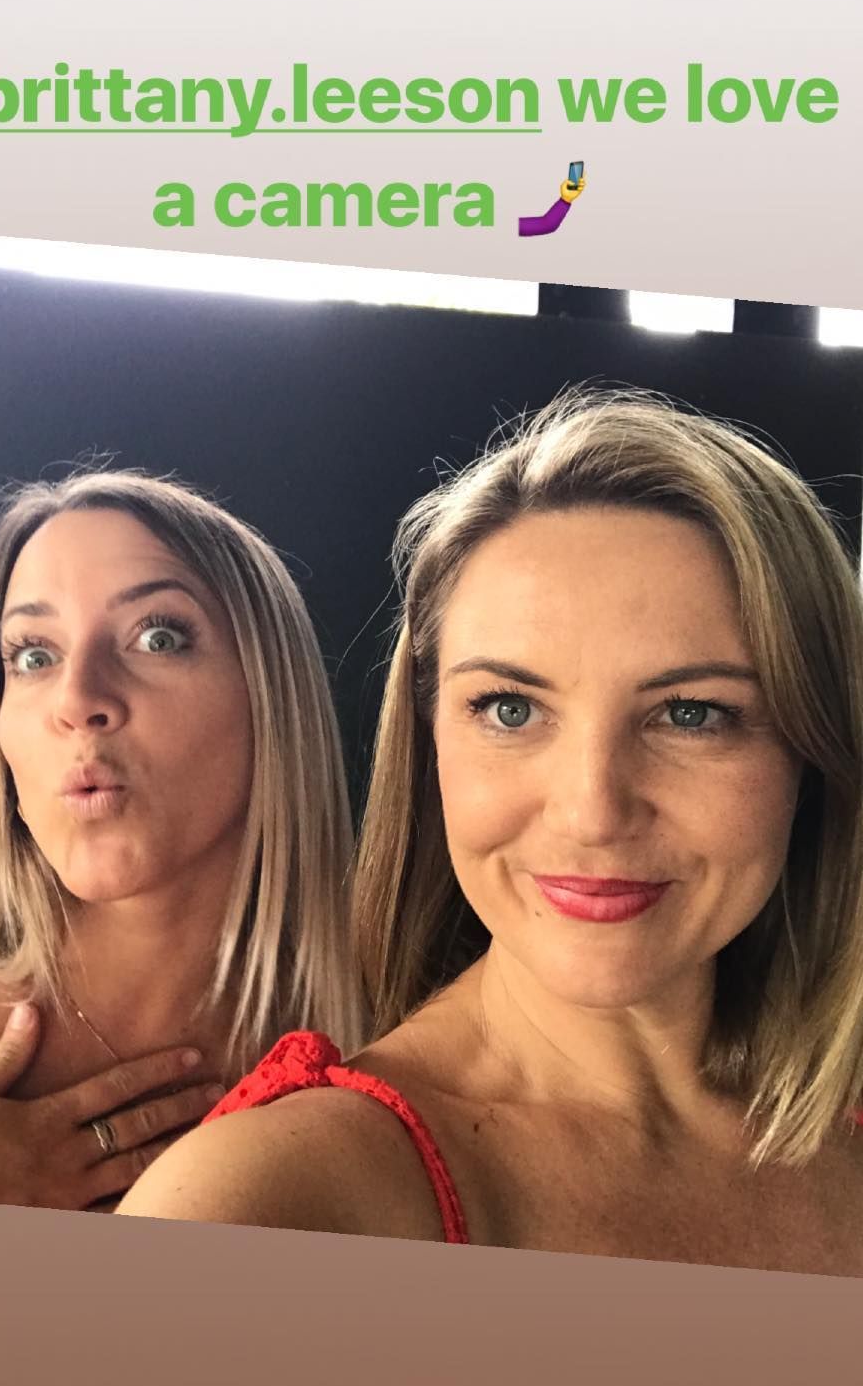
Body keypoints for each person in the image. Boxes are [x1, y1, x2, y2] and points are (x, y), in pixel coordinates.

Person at [119, 389, 863, 1276]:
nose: (592, 811)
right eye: (511, 708)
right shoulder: (269, 1203)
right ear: (428, 739)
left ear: (812, 750)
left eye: (691, 713)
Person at [0, 469, 362, 1207]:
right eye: (34, 655)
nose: (77, 697)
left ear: (274, 697)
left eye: (157, 637)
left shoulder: (385, 1042)